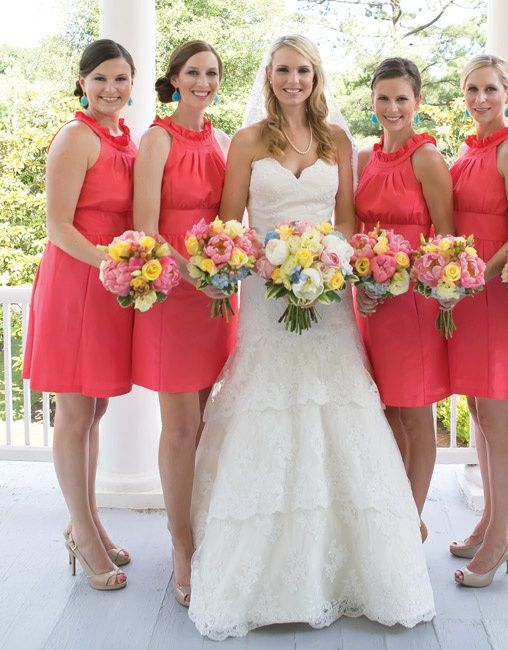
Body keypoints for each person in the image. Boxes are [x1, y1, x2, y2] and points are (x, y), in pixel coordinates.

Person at [188, 35, 434, 641]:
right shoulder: (246, 142)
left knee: (339, 409)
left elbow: (348, 217)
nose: (293, 80)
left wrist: (325, 261)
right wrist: (272, 266)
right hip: (266, 300)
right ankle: (259, 576)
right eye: (283, 70)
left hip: (327, 298)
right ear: (268, 76)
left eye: (303, 70)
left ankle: (355, 568)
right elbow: (230, 221)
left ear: (317, 76)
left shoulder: (338, 140)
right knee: (268, 411)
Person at [23, 39, 137, 590]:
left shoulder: (123, 139)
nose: (111, 89)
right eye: (100, 79)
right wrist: (115, 262)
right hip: (77, 281)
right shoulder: (74, 138)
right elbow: (58, 227)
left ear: (133, 85)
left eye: (120, 79)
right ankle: (84, 536)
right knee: (73, 416)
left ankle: (86, 521)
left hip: (109, 285)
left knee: (94, 414)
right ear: (82, 82)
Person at [132, 40, 237, 607]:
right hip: (174, 295)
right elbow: (145, 228)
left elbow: (233, 217)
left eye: (212, 73)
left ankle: (203, 527)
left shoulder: (222, 142)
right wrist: (193, 273)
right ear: (175, 80)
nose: (203, 81)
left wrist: (227, 266)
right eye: (193, 72)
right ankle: (181, 545)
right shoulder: (156, 139)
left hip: (216, 299)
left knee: (204, 423)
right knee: (177, 427)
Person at [447, 54, 508, 587]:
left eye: (490, 89)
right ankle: (487, 519)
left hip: (498, 296)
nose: (480, 98)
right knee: (480, 416)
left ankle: (503, 534)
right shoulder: (469, 150)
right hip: (467, 292)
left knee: (498, 421)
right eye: (472, 89)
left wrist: (481, 272)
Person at [354, 57, 454, 539]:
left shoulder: (427, 158)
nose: (392, 108)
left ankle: (410, 521)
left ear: (417, 102)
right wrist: (363, 284)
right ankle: (392, 507)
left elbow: (447, 239)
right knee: (385, 410)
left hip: (413, 303)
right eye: (383, 98)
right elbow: (354, 232)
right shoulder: (365, 158)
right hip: (372, 305)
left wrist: (403, 274)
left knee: (416, 415)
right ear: (371, 102)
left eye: (401, 99)